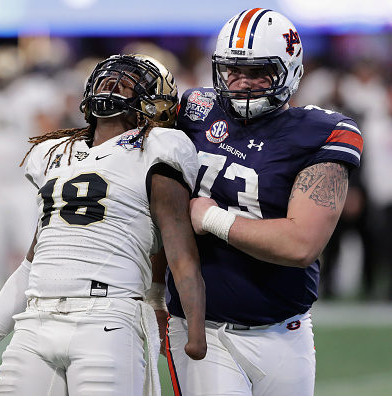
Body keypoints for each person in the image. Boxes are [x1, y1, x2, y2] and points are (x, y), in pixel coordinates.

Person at [0, 53, 207, 395]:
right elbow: (31, 267)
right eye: (107, 78)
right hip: (35, 321)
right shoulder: (56, 153)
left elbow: (181, 256)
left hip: (106, 318)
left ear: (155, 105)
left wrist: (192, 332)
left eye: (128, 81)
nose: (113, 84)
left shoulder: (160, 148)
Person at [151, 8, 363, 396]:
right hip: (204, 327)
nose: (242, 82)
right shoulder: (193, 110)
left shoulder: (320, 132)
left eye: (258, 72)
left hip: (286, 330)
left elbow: (301, 245)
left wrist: (211, 218)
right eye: (232, 70)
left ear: (290, 71)